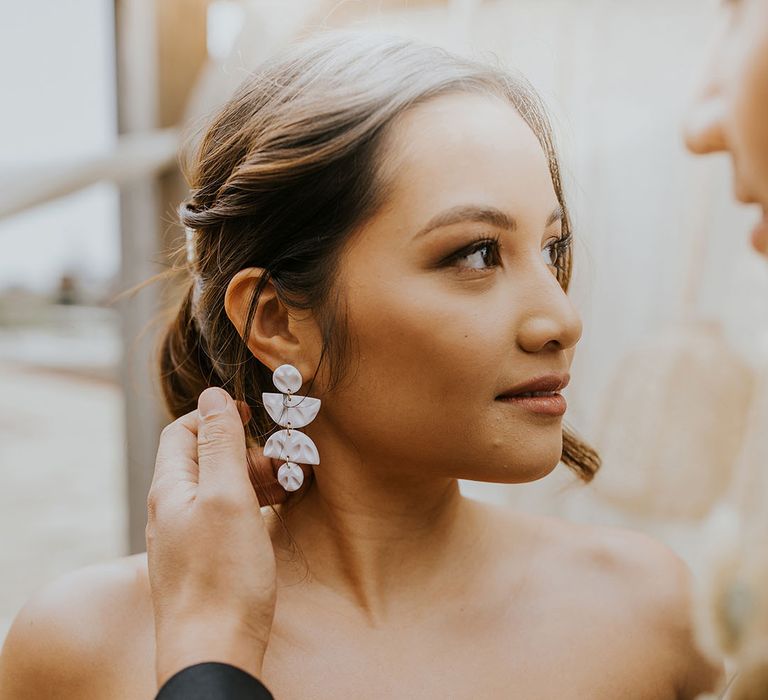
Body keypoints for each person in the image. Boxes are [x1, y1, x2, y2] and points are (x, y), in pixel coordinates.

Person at [0, 32, 725, 699]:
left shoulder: (650, 615)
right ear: (279, 321)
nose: (562, 320)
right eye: (475, 253)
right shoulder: (83, 647)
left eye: (553, 250)